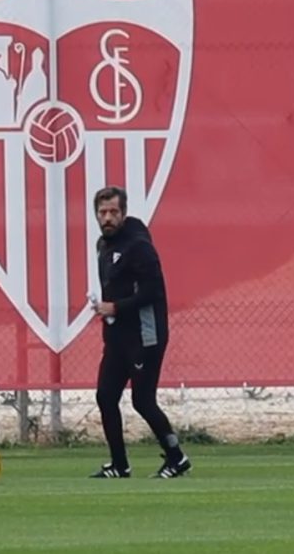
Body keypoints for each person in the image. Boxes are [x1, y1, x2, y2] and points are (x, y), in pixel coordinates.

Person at [88, 186, 191, 479]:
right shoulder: (103, 246)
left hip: (146, 336)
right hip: (118, 337)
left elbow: (153, 291)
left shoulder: (139, 246)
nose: (107, 218)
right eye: (102, 212)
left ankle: (177, 457)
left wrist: (115, 308)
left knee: (142, 400)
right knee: (106, 396)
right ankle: (120, 465)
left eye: (113, 212)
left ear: (124, 213)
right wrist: (105, 312)